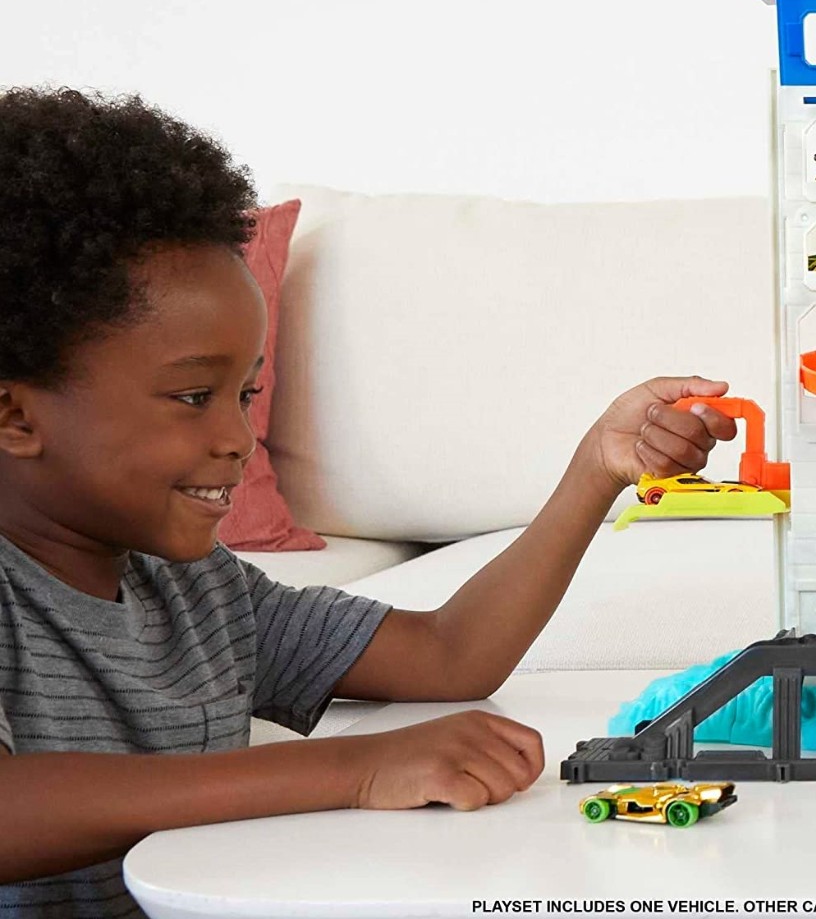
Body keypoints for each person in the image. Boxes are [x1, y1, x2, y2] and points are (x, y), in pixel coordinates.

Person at [0, 86, 737, 916]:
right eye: (193, 396)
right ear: (16, 415)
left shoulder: (199, 589)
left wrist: (594, 470)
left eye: (246, 395)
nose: (237, 437)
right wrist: (352, 767)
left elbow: (450, 654)